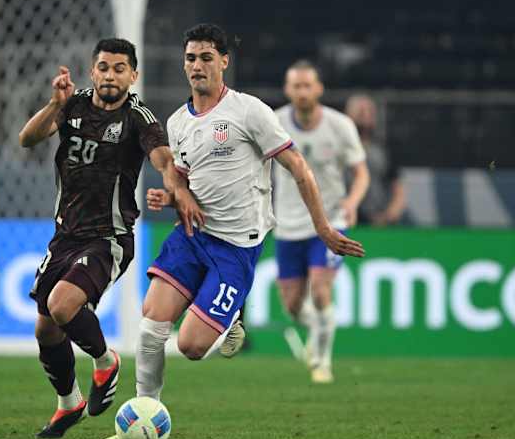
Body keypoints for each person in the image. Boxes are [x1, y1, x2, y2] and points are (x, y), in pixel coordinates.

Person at [125, 24, 364, 413]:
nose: (197, 66)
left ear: (224, 61)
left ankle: (233, 313)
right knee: (152, 321)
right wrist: (171, 197)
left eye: (206, 58)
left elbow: (298, 167)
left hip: (236, 246)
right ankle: (142, 411)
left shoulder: (249, 111)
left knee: (191, 347)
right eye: (190, 58)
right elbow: (188, 185)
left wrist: (323, 227)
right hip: (191, 235)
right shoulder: (177, 123)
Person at [18, 38, 200, 439]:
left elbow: (162, 158)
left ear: (133, 75)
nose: (111, 75)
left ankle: (105, 361)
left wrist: (176, 188)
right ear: (93, 71)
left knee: (62, 305)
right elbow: (27, 139)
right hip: (63, 236)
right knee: (46, 331)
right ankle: (69, 404)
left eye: (120, 68)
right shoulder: (73, 105)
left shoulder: (139, 119)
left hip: (108, 237)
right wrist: (53, 104)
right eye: (104, 67)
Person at [271, 60, 370, 383]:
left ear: (319, 89)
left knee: (321, 289)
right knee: (292, 305)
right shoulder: (275, 122)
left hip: (330, 222)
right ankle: (318, 327)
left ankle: (322, 363)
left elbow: (361, 173)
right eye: (295, 86)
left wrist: (352, 202)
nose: (302, 92)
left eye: (307, 85)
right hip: (287, 224)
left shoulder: (340, 125)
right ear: (288, 90)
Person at [345, 94, 406, 226]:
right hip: (343, 220)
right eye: (361, 111)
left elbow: (397, 187)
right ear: (348, 115)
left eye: (370, 112)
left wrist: (390, 214)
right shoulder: (337, 148)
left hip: (377, 221)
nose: (366, 115)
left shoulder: (383, 150)